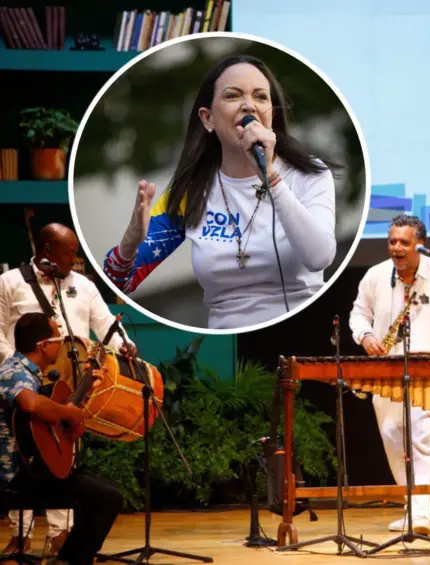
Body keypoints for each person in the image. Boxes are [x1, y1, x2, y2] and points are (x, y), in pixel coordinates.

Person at [103, 55, 338, 329]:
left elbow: (319, 257)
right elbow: (116, 284)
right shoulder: (193, 190)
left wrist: (271, 178)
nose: (249, 105)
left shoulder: (309, 175)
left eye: (261, 97)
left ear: (271, 115)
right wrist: (129, 245)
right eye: (233, 96)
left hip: (300, 333)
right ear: (208, 118)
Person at [0, 223, 133, 557]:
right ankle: (22, 532)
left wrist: (126, 345)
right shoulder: (10, 282)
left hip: (70, 385)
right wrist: (18, 368)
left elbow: (106, 326)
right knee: (24, 451)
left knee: (59, 454)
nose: (75, 259)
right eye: (69, 252)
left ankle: (61, 534)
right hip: (26, 380)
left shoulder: (83, 286)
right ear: (47, 250)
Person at [349, 214, 430, 535]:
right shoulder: (375, 276)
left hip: (429, 376)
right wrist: (365, 336)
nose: (396, 248)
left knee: (423, 439)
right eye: (392, 241)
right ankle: (413, 507)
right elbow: (359, 314)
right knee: (392, 437)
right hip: (386, 374)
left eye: (404, 242)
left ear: (420, 244)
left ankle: (422, 513)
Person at [0, 313, 123, 565]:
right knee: (104, 496)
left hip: (35, 469)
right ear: (43, 345)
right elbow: (31, 405)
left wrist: (73, 420)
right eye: (58, 338)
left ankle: (69, 559)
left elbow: (57, 429)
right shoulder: (12, 371)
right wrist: (68, 411)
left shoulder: (37, 377)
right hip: (16, 476)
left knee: (107, 493)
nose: (62, 345)